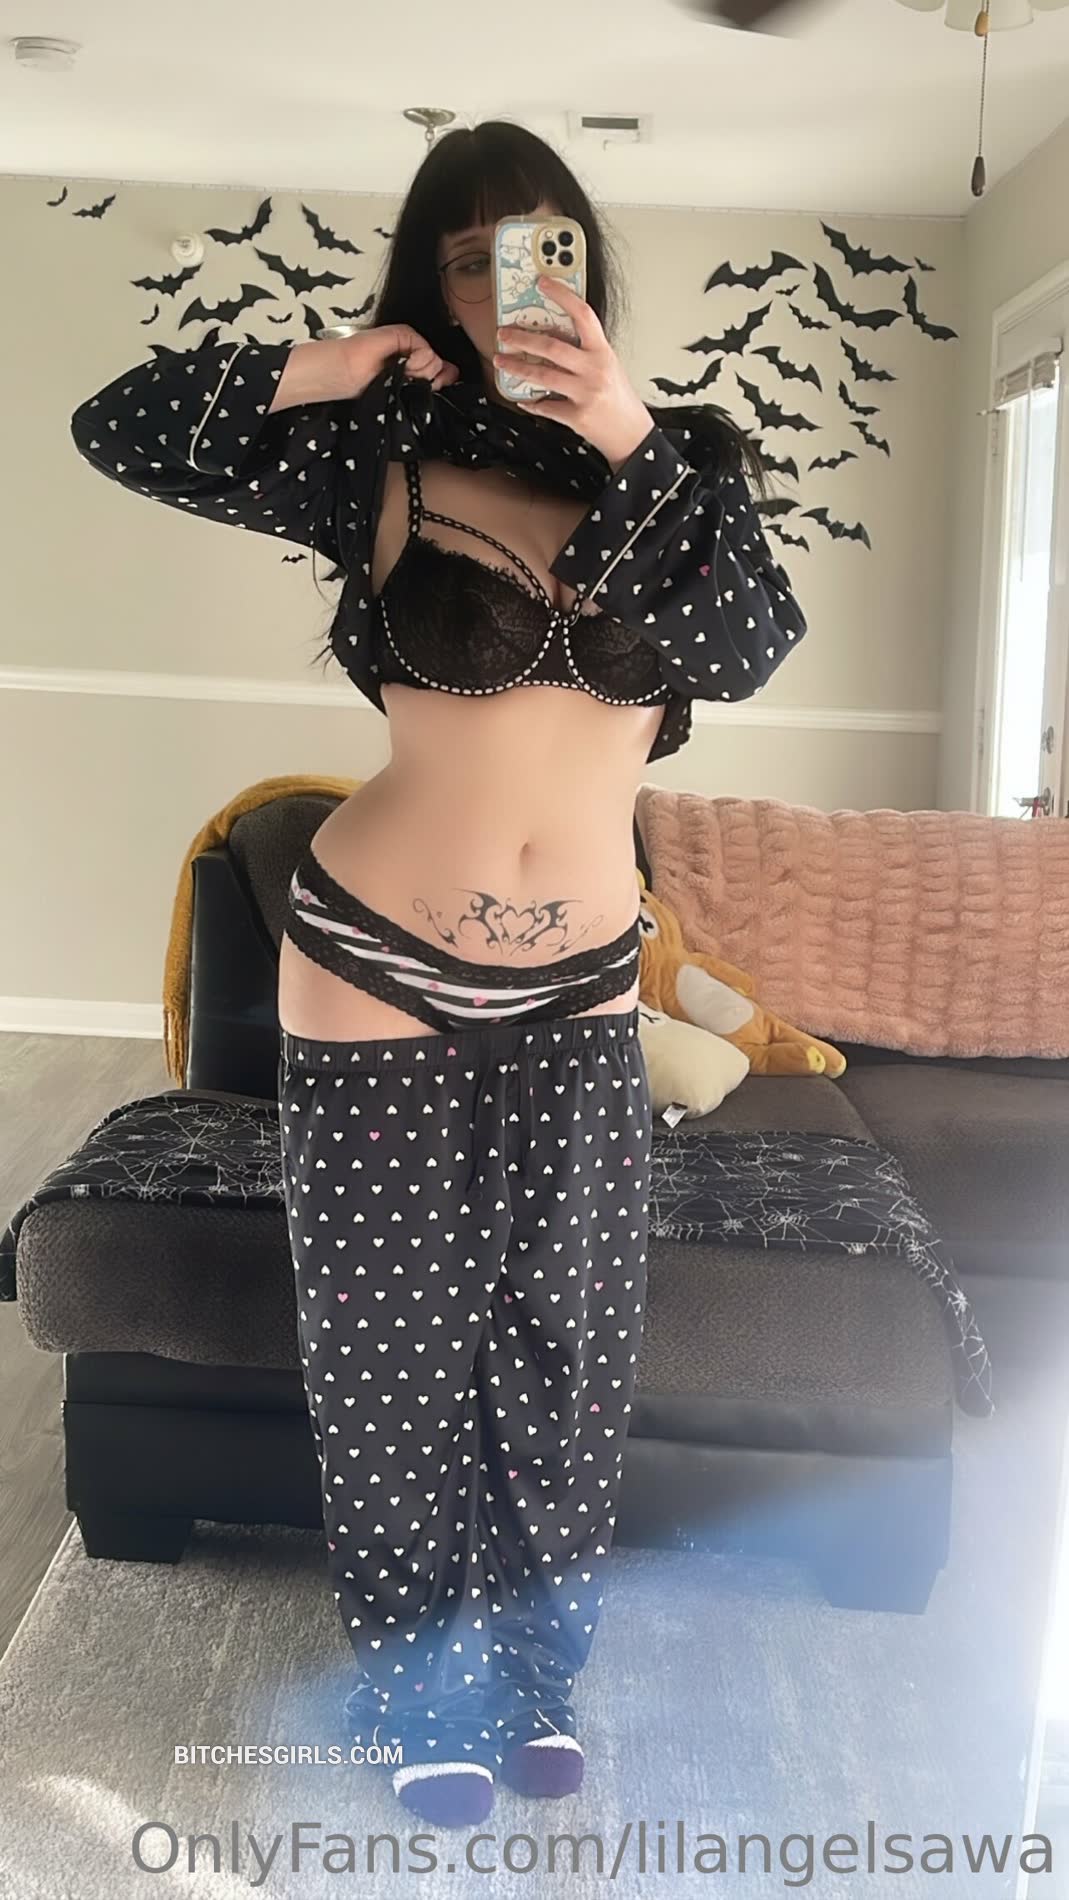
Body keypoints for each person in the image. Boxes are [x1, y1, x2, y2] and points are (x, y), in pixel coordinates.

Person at [69, 119, 807, 1829]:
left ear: (585, 267)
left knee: (565, 1345)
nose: (502, 283)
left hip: (579, 981)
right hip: (368, 959)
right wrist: (328, 362)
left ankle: (537, 1671)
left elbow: (748, 647)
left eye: (535, 246)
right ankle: (420, 1686)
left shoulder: (681, 464)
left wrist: (619, 426)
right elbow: (120, 426)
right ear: (428, 283)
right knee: (387, 1354)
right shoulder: (375, 451)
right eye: (465, 257)